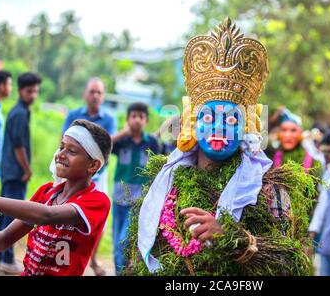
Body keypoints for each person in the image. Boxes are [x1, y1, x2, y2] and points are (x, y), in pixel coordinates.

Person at [125, 18, 317, 276]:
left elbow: (294, 263)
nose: (219, 127)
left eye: (231, 119)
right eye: (208, 117)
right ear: (192, 123)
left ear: (247, 127)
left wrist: (236, 239)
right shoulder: (164, 187)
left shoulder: (269, 191)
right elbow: (138, 262)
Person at [0, 119, 111, 276]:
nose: (60, 154)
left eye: (72, 151)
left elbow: (47, 215)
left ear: (93, 165)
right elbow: (3, 239)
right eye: (61, 147)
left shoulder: (97, 201)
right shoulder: (46, 192)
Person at [62, 77, 116, 275]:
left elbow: (108, 146)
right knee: (65, 210)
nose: (95, 96)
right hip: (73, 172)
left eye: (99, 92)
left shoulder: (109, 118)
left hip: (99, 174)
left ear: (103, 97)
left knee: (96, 218)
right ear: (85, 94)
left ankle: (91, 258)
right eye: (92, 91)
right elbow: (65, 139)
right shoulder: (74, 114)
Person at [0, 72, 41, 274]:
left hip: (9, 171)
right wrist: (27, 170)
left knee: (4, 214)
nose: (33, 95)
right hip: (16, 172)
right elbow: (19, 146)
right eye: (29, 91)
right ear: (21, 91)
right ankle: (7, 258)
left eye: (36, 91)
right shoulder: (20, 113)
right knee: (14, 215)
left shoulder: (17, 111)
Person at [110, 102, 159, 275]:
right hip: (118, 198)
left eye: (141, 117)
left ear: (146, 121)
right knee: (116, 244)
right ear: (127, 119)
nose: (137, 120)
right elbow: (104, 145)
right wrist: (124, 131)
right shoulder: (121, 141)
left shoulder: (152, 142)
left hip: (138, 202)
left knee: (124, 243)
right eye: (134, 116)